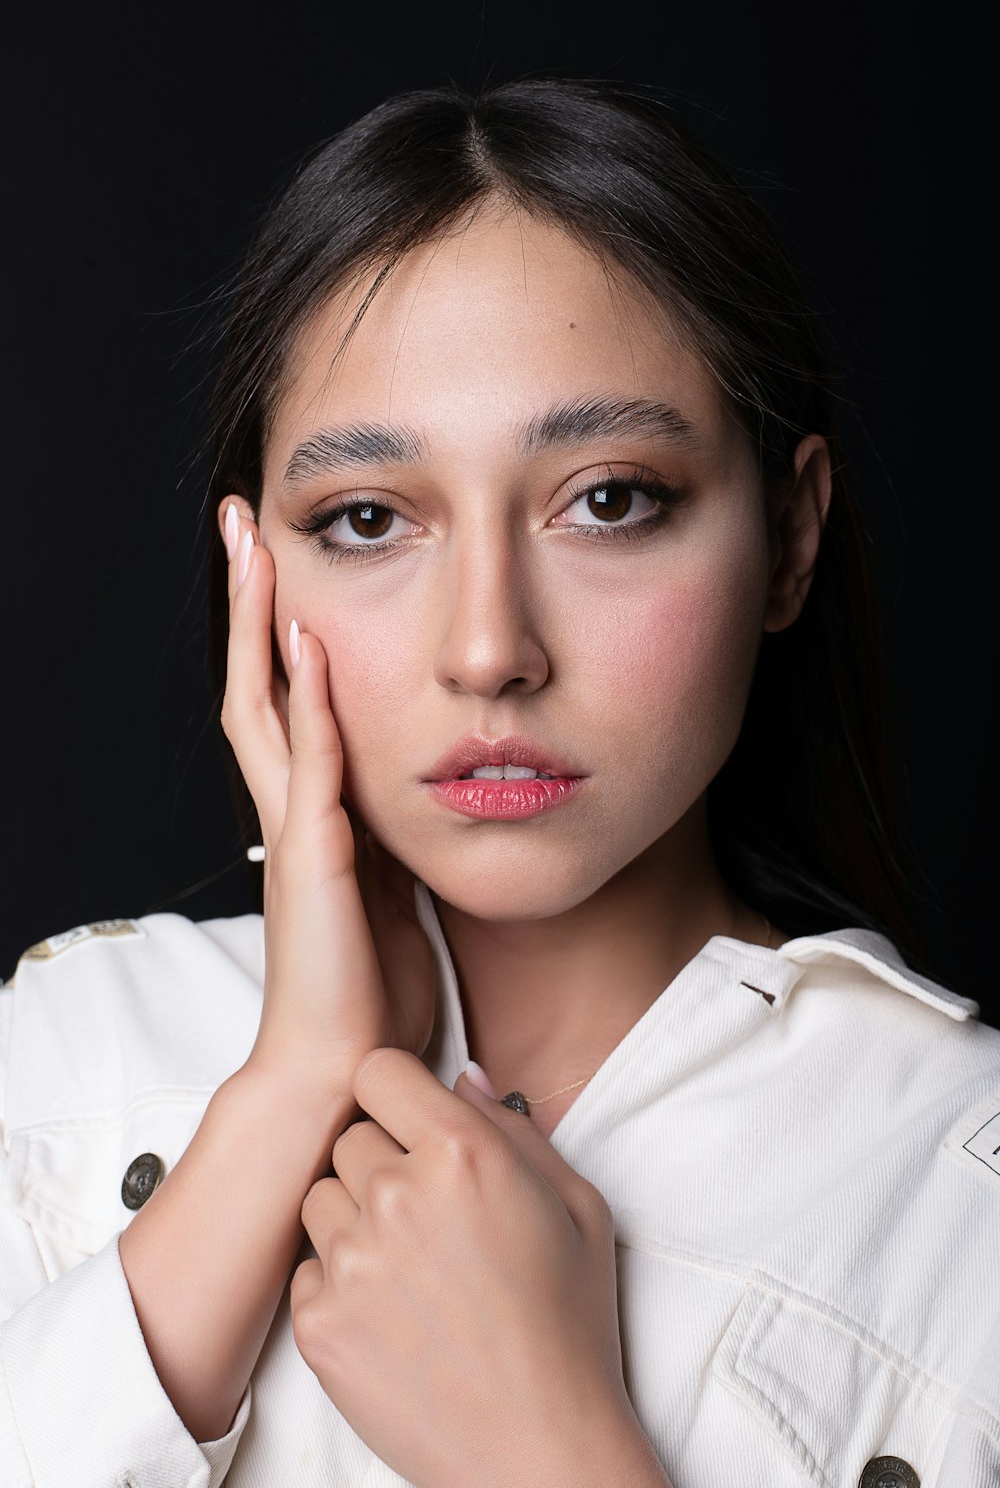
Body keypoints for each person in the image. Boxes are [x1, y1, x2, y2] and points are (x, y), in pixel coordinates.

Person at [1, 77, 997, 1488]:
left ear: (788, 535)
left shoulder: (962, 1187)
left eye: (610, 499)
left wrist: (553, 1450)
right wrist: (288, 1091)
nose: (490, 650)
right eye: (367, 519)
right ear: (254, 569)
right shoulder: (63, 1054)